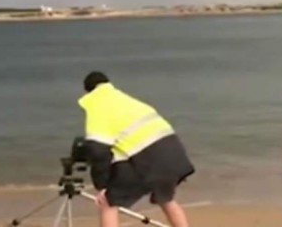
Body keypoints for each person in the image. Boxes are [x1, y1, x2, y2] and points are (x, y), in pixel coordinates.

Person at [77, 71, 195, 227]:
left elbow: (98, 150)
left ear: (88, 91)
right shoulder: (129, 102)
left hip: (147, 161)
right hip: (173, 156)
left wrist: (102, 186)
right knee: (166, 199)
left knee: (107, 203)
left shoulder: (98, 107)